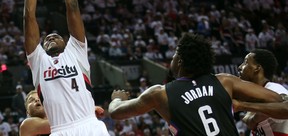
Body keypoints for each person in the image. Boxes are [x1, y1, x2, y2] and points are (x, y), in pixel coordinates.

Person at [108, 33, 283, 136]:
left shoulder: (160, 94)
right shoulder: (225, 81)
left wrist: (117, 98)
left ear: (181, 60)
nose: (172, 59)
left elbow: (116, 112)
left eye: (175, 55)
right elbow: (277, 99)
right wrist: (243, 105)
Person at [23, 0, 109, 136]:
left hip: (90, 126)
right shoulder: (38, 61)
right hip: (60, 131)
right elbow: (29, 16)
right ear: (42, 48)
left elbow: (72, 6)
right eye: (47, 38)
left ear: (67, 41)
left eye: (56, 36)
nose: (51, 37)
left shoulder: (76, 51)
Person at [238, 49, 288, 135]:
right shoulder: (255, 93)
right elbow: (248, 121)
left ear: (257, 68)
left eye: (246, 63)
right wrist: (255, 118)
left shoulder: (274, 89)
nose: (240, 67)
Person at [20, 90, 106, 136]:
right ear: (27, 110)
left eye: (40, 98)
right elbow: (59, 124)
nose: (37, 100)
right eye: (31, 100)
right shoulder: (27, 125)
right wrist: (86, 111)